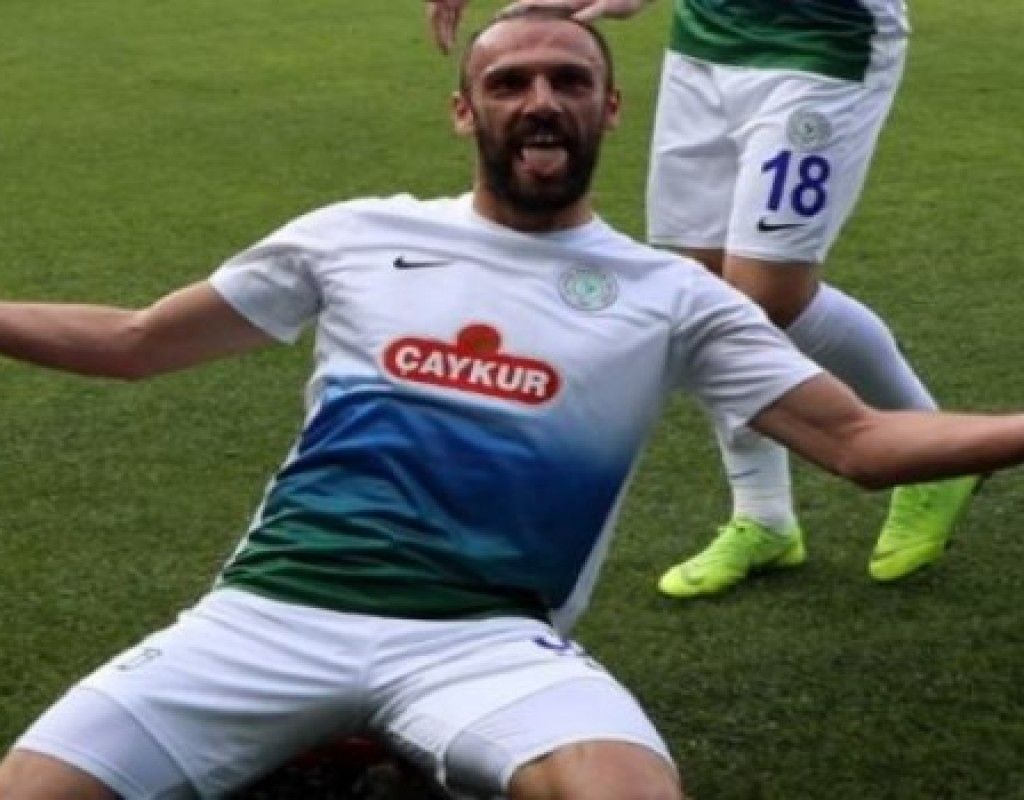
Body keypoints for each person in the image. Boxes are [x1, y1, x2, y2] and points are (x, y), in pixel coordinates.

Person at [0, 7, 1021, 800]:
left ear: (609, 110)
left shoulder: (674, 294)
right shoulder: (354, 234)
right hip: (267, 616)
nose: (541, 100)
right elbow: (135, 343)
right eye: (509, 82)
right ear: (464, 110)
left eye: (569, 81)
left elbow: (860, 441)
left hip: (486, 639)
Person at [504, 0, 977, 598]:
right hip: (706, 40)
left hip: (820, 41)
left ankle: (932, 455)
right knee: (698, 292)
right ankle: (764, 515)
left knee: (769, 294)